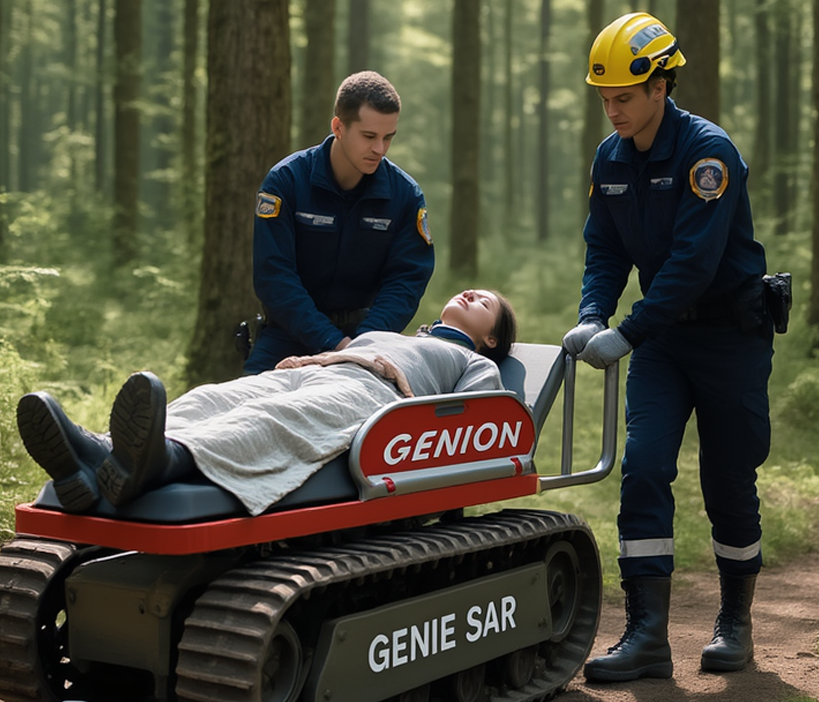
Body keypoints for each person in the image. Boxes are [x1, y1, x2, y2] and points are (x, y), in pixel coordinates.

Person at [562, 12, 774, 683]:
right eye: (605, 99)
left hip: (729, 336)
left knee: (727, 479)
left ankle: (734, 623)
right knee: (645, 466)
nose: (613, 110)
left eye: (624, 97)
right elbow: (604, 248)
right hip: (663, 340)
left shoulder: (707, 154)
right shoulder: (610, 157)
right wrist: (592, 313)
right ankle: (646, 634)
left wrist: (624, 332)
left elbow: (692, 263)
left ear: (660, 86)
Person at [18, 290, 516, 517]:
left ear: (491, 338)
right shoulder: (398, 335)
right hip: (318, 369)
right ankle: (97, 455)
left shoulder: (471, 361)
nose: (470, 294)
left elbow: (479, 417)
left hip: (375, 398)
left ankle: (163, 462)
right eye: (469, 291)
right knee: (217, 397)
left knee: (266, 419)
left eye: (484, 302)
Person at [244, 70, 435, 375]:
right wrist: (332, 342)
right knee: (249, 398)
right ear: (338, 127)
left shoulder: (405, 196)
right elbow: (274, 276)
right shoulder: (286, 182)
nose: (380, 149)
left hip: (369, 339)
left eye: (388, 137)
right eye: (369, 137)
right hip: (287, 336)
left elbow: (406, 282)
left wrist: (362, 346)